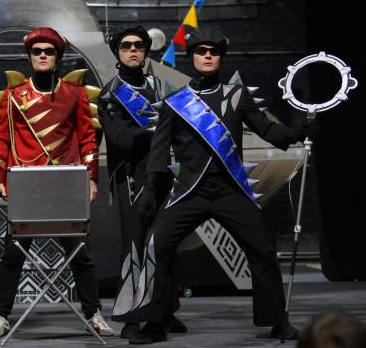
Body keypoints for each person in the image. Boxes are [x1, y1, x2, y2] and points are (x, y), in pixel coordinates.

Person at [128, 28, 320, 344]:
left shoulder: (237, 96)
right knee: (158, 246)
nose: (207, 56)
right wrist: (150, 190)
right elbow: (159, 153)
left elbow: (268, 131)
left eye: (213, 51)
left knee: (262, 249)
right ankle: (155, 322)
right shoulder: (175, 103)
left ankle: (276, 320)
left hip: (232, 190)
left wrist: (300, 131)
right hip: (189, 192)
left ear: (220, 57)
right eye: (201, 51)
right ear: (192, 56)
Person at [0, 27, 113, 338]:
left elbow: (87, 140)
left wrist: (91, 178)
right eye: (37, 51)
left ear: (57, 57)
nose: (42, 55)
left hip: (66, 184)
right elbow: (1, 141)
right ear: (29, 57)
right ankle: (0, 315)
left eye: (49, 51)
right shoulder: (14, 96)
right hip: (26, 185)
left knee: (80, 254)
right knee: (13, 254)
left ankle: (93, 313)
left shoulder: (75, 93)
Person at [97, 26, 186, 339]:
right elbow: (120, 139)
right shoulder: (109, 94)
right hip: (131, 178)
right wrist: (157, 133)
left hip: (164, 175)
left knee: (164, 244)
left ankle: (165, 310)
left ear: (146, 50)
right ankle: (131, 316)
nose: (133, 49)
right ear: (117, 52)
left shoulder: (162, 88)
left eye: (138, 45)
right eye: (126, 46)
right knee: (134, 245)